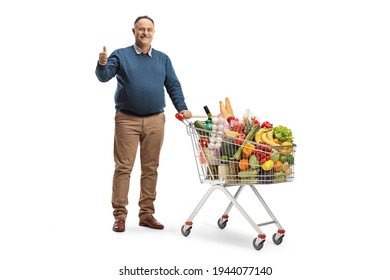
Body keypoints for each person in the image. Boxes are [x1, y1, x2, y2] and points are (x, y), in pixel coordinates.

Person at [95, 15, 192, 232]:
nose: (145, 33)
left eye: (149, 29)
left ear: (154, 32)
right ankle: (120, 215)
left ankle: (146, 214)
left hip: (155, 120)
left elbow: (173, 85)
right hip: (126, 120)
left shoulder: (163, 59)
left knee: (150, 168)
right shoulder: (120, 55)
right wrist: (102, 64)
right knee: (123, 168)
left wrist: (182, 107)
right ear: (134, 31)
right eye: (141, 29)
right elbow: (104, 76)